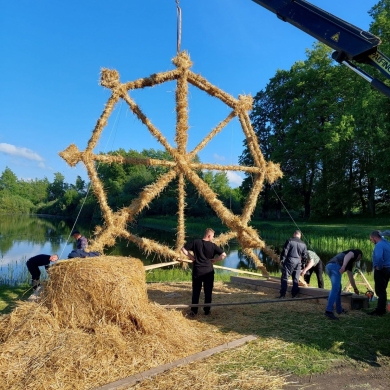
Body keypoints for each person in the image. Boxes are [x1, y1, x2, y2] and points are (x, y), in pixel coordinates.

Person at [181, 228, 226, 316]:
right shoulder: (213, 246)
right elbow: (223, 255)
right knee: (208, 291)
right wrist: (215, 260)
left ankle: (194, 311)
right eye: (213, 236)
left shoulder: (195, 242)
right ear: (209, 235)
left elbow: (183, 249)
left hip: (197, 270)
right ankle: (207, 311)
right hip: (208, 271)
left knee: (196, 291)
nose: (213, 238)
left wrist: (192, 257)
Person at [324, 249, 362, 320]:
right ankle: (328, 311)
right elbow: (348, 255)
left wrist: (355, 288)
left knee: (338, 289)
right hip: (335, 266)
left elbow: (351, 277)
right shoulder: (355, 253)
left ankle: (339, 310)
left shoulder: (350, 263)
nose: (358, 260)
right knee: (335, 289)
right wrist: (343, 266)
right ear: (359, 255)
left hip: (329, 266)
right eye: (359, 258)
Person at [278, 230, 308, 299]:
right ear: (300, 236)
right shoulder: (303, 244)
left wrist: (282, 260)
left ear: (294, 234)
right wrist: (303, 265)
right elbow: (305, 256)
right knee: (296, 279)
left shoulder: (290, 240)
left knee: (285, 277)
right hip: (298, 262)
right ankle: (294, 295)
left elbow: (285, 251)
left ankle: (282, 294)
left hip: (290, 260)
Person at [368, 230, 390, 316]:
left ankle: (380, 311)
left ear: (374, 238)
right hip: (388, 268)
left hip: (382, 269)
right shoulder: (386, 243)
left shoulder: (379, 245)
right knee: (383, 288)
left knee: (380, 290)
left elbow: (379, 257)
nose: (371, 241)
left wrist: (379, 267)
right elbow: (383, 236)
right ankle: (381, 308)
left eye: (371, 239)